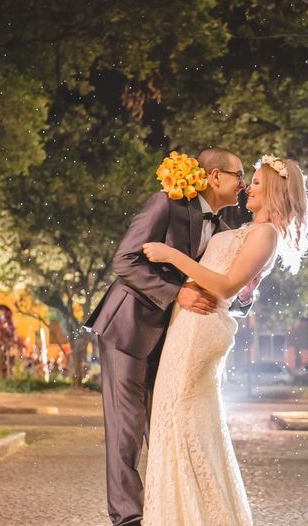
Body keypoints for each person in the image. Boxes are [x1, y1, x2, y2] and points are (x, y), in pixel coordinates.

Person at [140, 155, 308, 526]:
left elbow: (224, 287)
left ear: (277, 192)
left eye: (259, 185)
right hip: (188, 323)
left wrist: (173, 256)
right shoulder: (250, 229)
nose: (249, 187)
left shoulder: (266, 235)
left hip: (200, 328)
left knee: (180, 422)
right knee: (177, 422)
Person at [84, 148, 249, 526]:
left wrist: (246, 294)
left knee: (161, 426)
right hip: (128, 327)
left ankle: (163, 511)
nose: (243, 183)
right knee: (126, 430)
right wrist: (175, 293)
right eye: (239, 174)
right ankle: (127, 518)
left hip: (177, 342)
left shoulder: (224, 234)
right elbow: (124, 260)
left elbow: (222, 293)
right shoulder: (167, 204)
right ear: (215, 177)